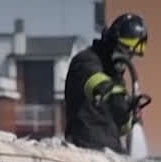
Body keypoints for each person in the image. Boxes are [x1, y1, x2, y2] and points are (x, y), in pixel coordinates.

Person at [63, 12, 148, 154]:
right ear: (112, 43)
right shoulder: (86, 61)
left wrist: (130, 118)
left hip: (110, 151)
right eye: (124, 51)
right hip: (85, 147)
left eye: (131, 55)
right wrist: (120, 98)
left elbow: (120, 125)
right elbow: (98, 85)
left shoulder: (115, 76)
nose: (127, 58)